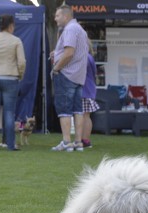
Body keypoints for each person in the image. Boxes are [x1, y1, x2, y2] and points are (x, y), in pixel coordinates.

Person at [50, 5, 89, 152]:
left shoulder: (70, 29)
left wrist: (56, 67)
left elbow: (69, 52)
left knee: (64, 110)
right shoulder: (79, 29)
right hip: (78, 76)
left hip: (67, 75)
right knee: (77, 110)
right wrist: (58, 52)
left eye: (57, 15)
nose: (55, 18)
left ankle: (66, 142)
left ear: (66, 16)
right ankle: (78, 143)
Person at [0, 14, 26, 151]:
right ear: (11, 25)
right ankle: (9, 144)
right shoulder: (16, 41)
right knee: (9, 113)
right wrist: (19, 75)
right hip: (10, 78)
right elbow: (22, 62)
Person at [81, 40, 99, 149]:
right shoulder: (89, 57)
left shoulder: (84, 58)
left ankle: (84, 140)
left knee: (84, 116)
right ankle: (85, 139)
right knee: (86, 115)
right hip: (89, 89)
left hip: (84, 90)